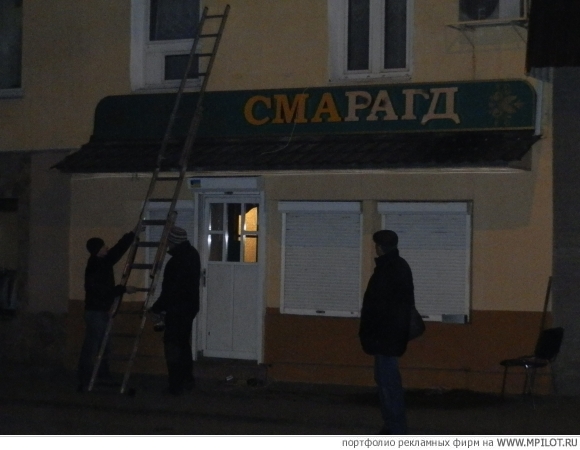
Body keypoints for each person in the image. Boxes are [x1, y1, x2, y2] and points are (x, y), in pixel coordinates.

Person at [359, 230, 415, 435]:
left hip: (385, 336)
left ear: (380, 247)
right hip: (391, 335)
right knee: (386, 381)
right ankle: (392, 425)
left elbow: (379, 306)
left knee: (388, 383)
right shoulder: (399, 266)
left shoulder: (387, 269)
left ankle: (396, 428)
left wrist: (372, 333)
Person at [77, 230, 137, 392]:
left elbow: (117, 250)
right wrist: (123, 289)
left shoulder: (102, 261)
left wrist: (131, 235)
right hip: (96, 312)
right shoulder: (95, 267)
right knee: (95, 346)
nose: (107, 247)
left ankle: (96, 375)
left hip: (98, 311)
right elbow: (102, 291)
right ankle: (89, 377)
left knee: (99, 345)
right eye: (103, 246)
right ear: (98, 250)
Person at [149, 226, 201, 395]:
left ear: (172, 241)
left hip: (176, 310)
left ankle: (175, 385)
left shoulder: (176, 262)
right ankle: (187, 379)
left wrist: (157, 307)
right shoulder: (193, 254)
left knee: (173, 348)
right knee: (183, 345)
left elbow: (171, 290)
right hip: (189, 308)